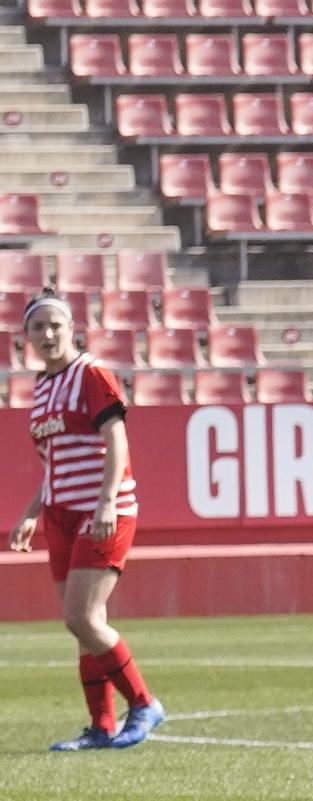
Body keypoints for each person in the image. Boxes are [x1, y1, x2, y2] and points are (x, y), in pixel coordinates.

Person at [6, 290, 165, 751]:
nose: (48, 334)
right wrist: (32, 512)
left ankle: (144, 702)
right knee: (83, 624)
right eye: (39, 327)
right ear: (27, 337)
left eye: (56, 324)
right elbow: (54, 462)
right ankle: (101, 727)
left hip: (99, 512)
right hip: (59, 512)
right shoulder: (41, 387)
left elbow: (116, 441)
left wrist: (106, 502)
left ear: (71, 327)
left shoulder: (91, 374)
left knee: (82, 617)